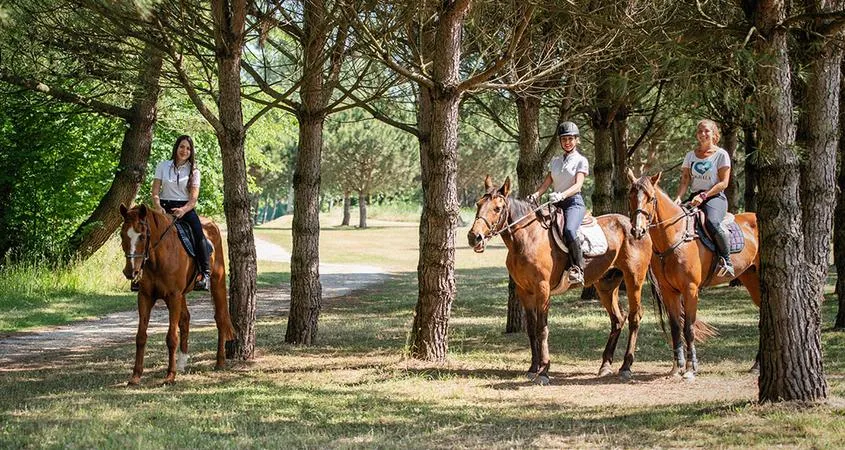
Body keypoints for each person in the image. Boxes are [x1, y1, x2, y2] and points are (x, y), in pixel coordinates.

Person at [527, 121, 589, 286]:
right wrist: (536, 194)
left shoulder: (581, 161)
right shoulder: (555, 162)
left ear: (576, 140)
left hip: (573, 203)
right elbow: (547, 182)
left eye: (570, 138)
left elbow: (578, 186)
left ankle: (578, 268)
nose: (567, 142)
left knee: (569, 230)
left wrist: (562, 194)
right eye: (564, 139)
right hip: (556, 204)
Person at [673, 119, 734, 277]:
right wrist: (679, 198)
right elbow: (685, 180)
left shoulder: (721, 155)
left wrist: (704, 195)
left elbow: (724, 183)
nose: (703, 134)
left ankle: (726, 261)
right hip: (694, 197)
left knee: (711, 222)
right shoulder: (690, 156)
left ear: (714, 133)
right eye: (700, 131)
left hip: (715, 197)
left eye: (706, 131)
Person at [150, 135, 210, 291]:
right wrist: (157, 206)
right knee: (144, 232)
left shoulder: (194, 171)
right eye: (182, 147)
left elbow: (193, 200)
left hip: (185, 208)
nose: (185, 151)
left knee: (198, 234)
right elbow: (155, 192)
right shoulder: (162, 166)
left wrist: (182, 210)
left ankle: (205, 274)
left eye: (188, 148)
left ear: (191, 152)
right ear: (176, 148)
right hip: (163, 206)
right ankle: (139, 274)